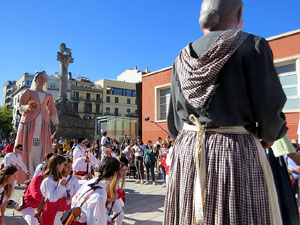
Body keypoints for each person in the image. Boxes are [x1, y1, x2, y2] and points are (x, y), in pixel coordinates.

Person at [164, 0, 287, 224]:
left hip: (188, 153)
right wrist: (269, 136)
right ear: (240, 13)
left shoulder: (179, 59)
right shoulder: (253, 45)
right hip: (234, 151)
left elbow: (174, 122)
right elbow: (270, 108)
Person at [15, 71, 59, 179]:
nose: (42, 80)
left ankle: (38, 173)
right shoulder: (29, 92)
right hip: (29, 123)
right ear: (35, 79)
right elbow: (21, 106)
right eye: (40, 78)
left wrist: (56, 122)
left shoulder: (49, 95)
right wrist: (27, 107)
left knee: (40, 148)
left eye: (44, 78)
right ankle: (27, 174)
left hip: (43, 124)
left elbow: (52, 109)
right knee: (28, 147)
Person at [71, 157, 120, 225]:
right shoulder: (100, 194)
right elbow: (96, 220)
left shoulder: (90, 182)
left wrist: (107, 219)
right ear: (115, 173)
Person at [40, 155, 68, 225]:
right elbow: (51, 198)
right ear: (57, 165)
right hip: (51, 211)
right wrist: (61, 186)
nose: (64, 167)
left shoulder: (58, 178)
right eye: (63, 164)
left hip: (59, 211)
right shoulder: (49, 180)